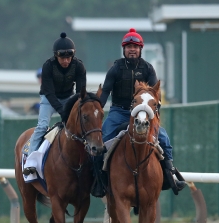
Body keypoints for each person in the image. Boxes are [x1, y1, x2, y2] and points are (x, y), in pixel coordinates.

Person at [96, 28, 186, 195]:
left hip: (142, 112)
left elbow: (154, 93)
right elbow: (106, 91)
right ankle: (98, 180)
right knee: (103, 139)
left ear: (140, 49)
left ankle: (171, 175)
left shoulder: (148, 69)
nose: (132, 49)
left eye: (135, 46)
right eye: (129, 46)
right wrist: (98, 108)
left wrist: (154, 110)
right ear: (124, 49)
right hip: (118, 112)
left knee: (164, 138)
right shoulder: (115, 69)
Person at [23, 32, 87, 175]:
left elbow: (80, 92)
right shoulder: (48, 66)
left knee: (77, 125)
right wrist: (62, 110)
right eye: (62, 58)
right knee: (42, 125)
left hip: (69, 97)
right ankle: (30, 160)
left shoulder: (79, 66)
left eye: (68, 57)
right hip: (49, 98)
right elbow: (49, 93)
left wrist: (71, 107)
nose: (66, 61)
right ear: (56, 56)